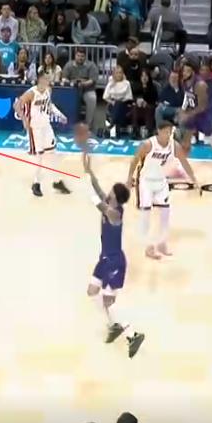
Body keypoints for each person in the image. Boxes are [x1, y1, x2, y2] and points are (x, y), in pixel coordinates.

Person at [81, 150, 143, 358]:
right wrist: (88, 171)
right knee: (92, 292)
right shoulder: (110, 203)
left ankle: (132, 333)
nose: (108, 192)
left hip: (115, 262)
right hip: (104, 259)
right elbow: (98, 190)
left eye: (112, 192)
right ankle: (114, 324)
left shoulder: (114, 213)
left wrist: (86, 187)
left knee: (109, 302)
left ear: (116, 197)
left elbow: (97, 202)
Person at [126, 121, 197, 260]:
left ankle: (162, 243)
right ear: (158, 131)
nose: (168, 134)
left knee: (165, 214)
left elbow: (184, 162)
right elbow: (134, 160)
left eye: (170, 132)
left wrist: (194, 178)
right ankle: (149, 247)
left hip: (161, 182)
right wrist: (129, 178)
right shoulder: (148, 144)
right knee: (146, 215)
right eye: (165, 132)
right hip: (146, 182)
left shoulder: (174, 145)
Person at [14, 73, 69, 197]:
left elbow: (50, 105)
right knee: (39, 156)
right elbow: (16, 105)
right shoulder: (31, 93)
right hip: (35, 128)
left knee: (52, 153)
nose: (47, 81)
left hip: (46, 126)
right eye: (45, 79)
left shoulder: (48, 90)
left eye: (48, 79)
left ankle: (56, 182)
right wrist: (24, 120)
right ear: (39, 80)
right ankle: (36, 184)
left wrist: (60, 115)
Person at [179, 60, 212, 176]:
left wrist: (188, 114)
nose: (184, 73)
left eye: (187, 71)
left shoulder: (200, 85)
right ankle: (182, 167)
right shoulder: (184, 81)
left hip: (206, 113)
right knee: (186, 139)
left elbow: (202, 106)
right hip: (193, 110)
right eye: (183, 71)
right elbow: (187, 97)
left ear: (193, 72)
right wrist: (183, 110)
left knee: (210, 138)